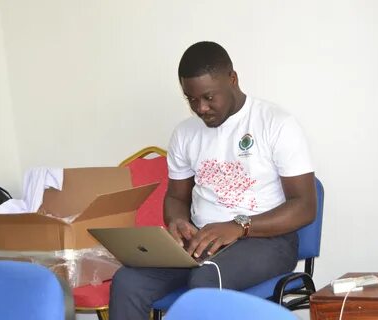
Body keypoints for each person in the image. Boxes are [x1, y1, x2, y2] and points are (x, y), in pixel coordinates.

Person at [109, 41, 317, 320]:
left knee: (205, 281)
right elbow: (176, 197)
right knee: (128, 282)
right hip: (201, 241)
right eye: (191, 99)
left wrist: (239, 226)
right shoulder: (185, 134)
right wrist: (177, 222)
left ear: (232, 79)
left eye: (208, 97)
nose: (201, 108)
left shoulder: (276, 124)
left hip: (266, 240)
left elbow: (305, 206)